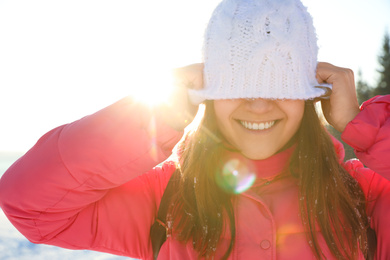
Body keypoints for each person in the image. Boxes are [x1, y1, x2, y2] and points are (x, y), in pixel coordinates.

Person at [0, 0, 389, 259]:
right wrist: (152, 120)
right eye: (235, 85)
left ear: (309, 95)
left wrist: (366, 128)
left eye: (279, 87)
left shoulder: (363, 198)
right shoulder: (167, 199)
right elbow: (29, 203)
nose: (257, 103)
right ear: (208, 94)